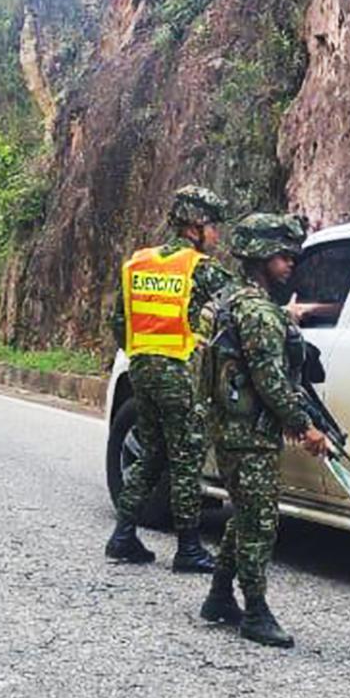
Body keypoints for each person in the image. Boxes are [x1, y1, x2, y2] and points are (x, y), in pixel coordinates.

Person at [199, 213, 330, 648]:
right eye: (281, 254)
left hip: (234, 427)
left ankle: (219, 597)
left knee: (244, 513)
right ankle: (255, 611)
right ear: (259, 257)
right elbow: (271, 380)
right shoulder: (256, 312)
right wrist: (305, 427)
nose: (290, 261)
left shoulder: (236, 300)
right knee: (259, 521)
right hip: (248, 433)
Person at [106, 185, 237, 570]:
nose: (217, 235)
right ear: (196, 226)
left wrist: (142, 354)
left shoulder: (140, 262)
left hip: (142, 369)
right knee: (186, 458)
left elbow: (118, 321)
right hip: (180, 371)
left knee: (153, 451)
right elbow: (241, 303)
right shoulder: (200, 267)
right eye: (214, 227)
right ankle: (189, 548)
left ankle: (123, 534)